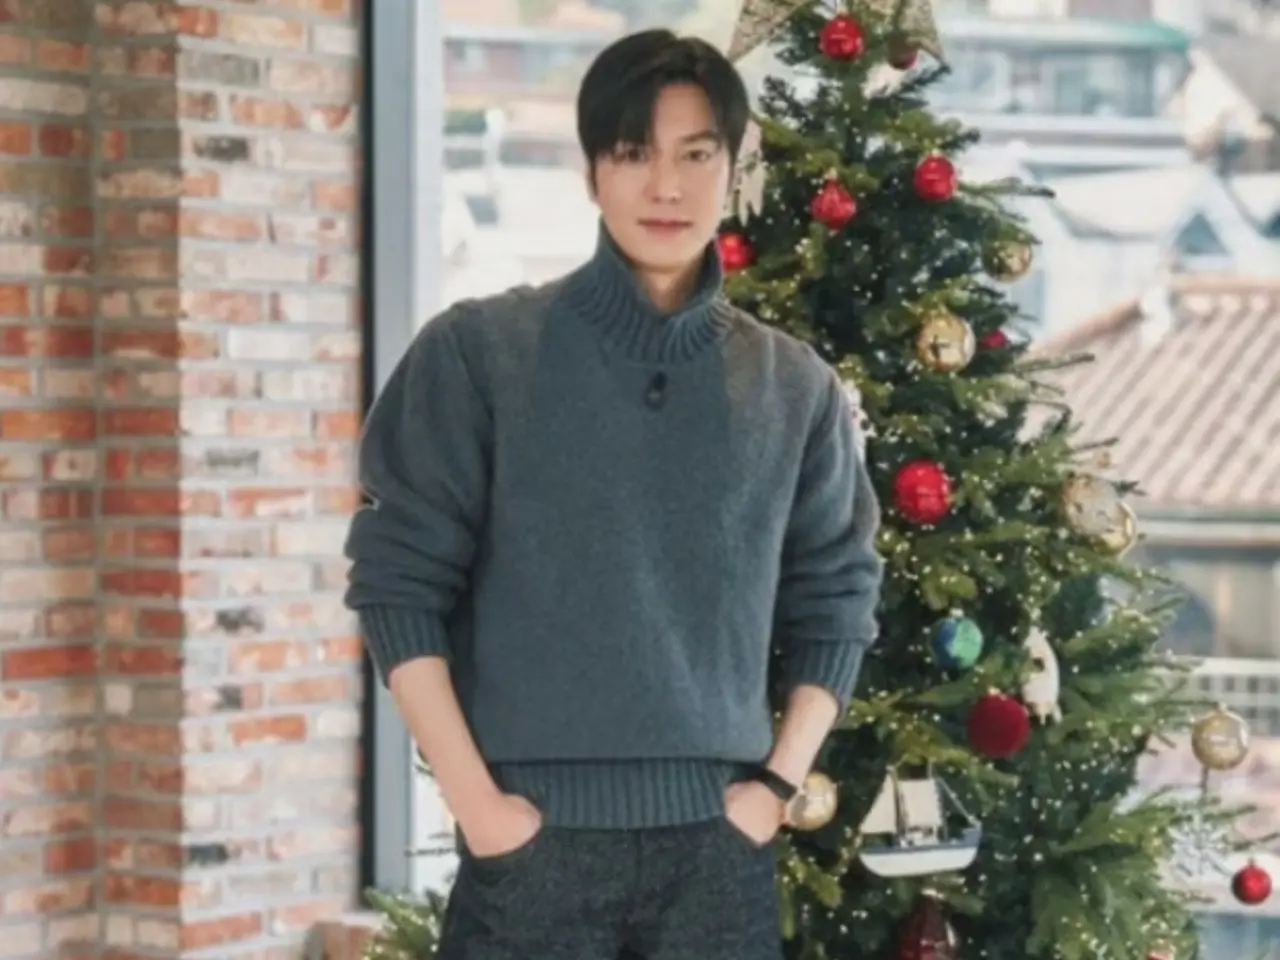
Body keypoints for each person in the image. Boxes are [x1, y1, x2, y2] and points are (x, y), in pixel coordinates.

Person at [345, 28, 884, 960]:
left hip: (717, 860)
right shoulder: (478, 354)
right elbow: (396, 590)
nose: (665, 186)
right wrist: (479, 809)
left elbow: (839, 601)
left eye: (695, 155)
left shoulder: (794, 386)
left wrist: (771, 793)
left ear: (734, 169)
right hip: (529, 852)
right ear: (593, 172)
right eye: (634, 153)